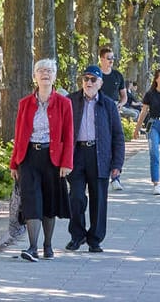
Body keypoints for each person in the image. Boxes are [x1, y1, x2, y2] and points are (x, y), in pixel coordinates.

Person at [9, 58, 73, 262]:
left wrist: (66, 163)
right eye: (41, 71)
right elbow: (19, 134)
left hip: (52, 157)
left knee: (49, 201)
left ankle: (48, 245)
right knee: (31, 200)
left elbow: (68, 134)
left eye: (49, 71)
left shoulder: (64, 103)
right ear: (35, 76)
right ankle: (32, 247)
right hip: (28, 157)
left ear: (54, 76)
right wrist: (14, 162)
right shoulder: (25, 104)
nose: (45, 74)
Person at [65, 65, 124, 252]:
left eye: (93, 80)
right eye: (85, 79)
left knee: (99, 199)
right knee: (76, 197)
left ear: (100, 83)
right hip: (76, 154)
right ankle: (77, 235)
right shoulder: (71, 101)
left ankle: (95, 239)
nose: (88, 83)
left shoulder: (108, 105)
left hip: (99, 154)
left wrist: (117, 164)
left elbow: (117, 135)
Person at [94, 45, 130, 190]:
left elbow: (124, 96)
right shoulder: (95, 75)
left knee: (116, 140)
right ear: (101, 59)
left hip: (114, 111)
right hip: (99, 112)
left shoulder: (117, 76)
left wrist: (120, 105)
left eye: (113, 58)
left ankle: (115, 176)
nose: (111, 61)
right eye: (108, 58)